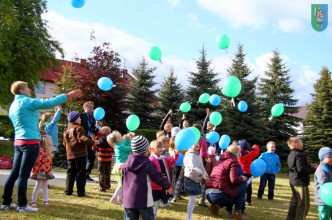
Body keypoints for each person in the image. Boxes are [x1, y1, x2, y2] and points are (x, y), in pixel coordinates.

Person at [0, 81, 81, 213]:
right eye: (27, 88)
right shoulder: (26, 101)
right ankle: (22, 205)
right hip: (30, 142)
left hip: (19, 142)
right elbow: (47, 103)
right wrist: (68, 95)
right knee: (24, 175)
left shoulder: (13, 105)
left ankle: (6, 202)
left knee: (14, 173)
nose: (29, 90)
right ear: (21, 90)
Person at [122, 136, 173, 220]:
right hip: (144, 200)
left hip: (129, 199)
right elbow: (157, 176)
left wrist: (123, 195)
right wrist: (167, 186)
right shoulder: (147, 163)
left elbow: (123, 180)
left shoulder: (126, 162)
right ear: (146, 150)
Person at [205, 144, 248, 220]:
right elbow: (234, 180)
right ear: (237, 153)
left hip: (208, 194)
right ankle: (237, 212)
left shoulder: (220, 160)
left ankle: (215, 206)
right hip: (218, 195)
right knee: (243, 185)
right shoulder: (233, 161)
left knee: (231, 190)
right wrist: (243, 178)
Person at [63, 111, 100, 197]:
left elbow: (64, 143)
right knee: (81, 173)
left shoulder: (66, 129)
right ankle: (80, 192)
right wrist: (94, 142)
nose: (80, 119)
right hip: (79, 154)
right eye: (79, 118)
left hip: (70, 154)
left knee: (70, 172)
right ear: (75, 119)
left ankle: (68, 191)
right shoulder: (79, 128)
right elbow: (82, 139)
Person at [286, 137, 317, 220]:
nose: (302, 143)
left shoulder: (291, 154)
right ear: (296, 144)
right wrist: (313, 169)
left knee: (295, 202)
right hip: (300, 182)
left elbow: (296, 167)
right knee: (304, 204)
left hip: (293, 180)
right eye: (301, 142)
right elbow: (301, 169)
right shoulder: (299, 154)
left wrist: (309, 166)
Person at [149, 140, 178, 216]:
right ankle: (151, 216)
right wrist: (160, 176)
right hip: (154, 186)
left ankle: (153, 216)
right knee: (154, 203)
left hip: (161, 185)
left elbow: (171, 161)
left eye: (161, 147)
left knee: (158, 202)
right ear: (152, 149)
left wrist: (176, 154)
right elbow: (152, 173)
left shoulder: (163, 158)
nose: (161, 149)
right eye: (158, 147)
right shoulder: (151, 159)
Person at [183, 143, 209, 220]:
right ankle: (188, 217)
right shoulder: (190, 155)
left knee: (193, 199)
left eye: (198, 143)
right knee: (193, 198)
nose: (197, 145)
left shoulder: (198, 155)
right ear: (190, 145)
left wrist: (206, 175)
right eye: (195, 144)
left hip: (196, 179)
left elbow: (202, 167)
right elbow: (193, 167)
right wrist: (202, 174)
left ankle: (189, 216)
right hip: (190, 178)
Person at [109, 131, 133, 205]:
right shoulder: (120, 146)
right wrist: (130, 141)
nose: (122, 137)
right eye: (120, 136)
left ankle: (120, 199)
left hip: (119, 166)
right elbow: (130, 148)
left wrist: (127, 139)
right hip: (121, 166)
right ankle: (114, 197)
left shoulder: (118, 144)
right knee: (122, 184)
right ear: (116, 140)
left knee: (121, 183)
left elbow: (125, 143)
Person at [30, 135, 54, 207]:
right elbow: (37, 162)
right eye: (50, 141)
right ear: (47, 142)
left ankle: (46, 201)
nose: (51, 142)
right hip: (40, 171)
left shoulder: (47, 151)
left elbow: (49, 163)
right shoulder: (40, 151)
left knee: (45, 185)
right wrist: (35, 171)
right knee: (38, 185)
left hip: (46, 171)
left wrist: (49, 171)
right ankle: (33, 201)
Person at [237, 139, 260, 209]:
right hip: (248, 173)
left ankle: (238, 199)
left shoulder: (237, 154)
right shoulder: (250, 154)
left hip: (240, 173)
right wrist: (255, 146)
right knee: (249, 188)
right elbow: (257, 152)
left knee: (239, 187)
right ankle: (248, 200)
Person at [80, 101, 99, 181]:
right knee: (82, 157)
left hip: (91, 139)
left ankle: (86, 174)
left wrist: (97, 126)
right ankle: (80, 174)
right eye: (90, 107)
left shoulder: (93, 117)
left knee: (92, 157)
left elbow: (93, 128)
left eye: (92, 107)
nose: (92, 109)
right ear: (85, 107)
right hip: (83, 138)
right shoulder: (81, 115)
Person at [92, 126, 113, 192]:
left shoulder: (100, 141)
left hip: (101, 159)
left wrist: (94, 142)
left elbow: (93, 148)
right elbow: (113, 151)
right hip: (109, 160)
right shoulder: (111, 142)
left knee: (101, 173)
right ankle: (107, 185)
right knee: (108, 173)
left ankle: (102, 187)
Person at [314, 147, 332, 220]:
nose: (331, 158)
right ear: (322, 158)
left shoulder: (329, 167)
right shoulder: (321, 169)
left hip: (330, 198)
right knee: (324, 215)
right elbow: (324, 183)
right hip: (323, 199)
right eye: (329, 157)